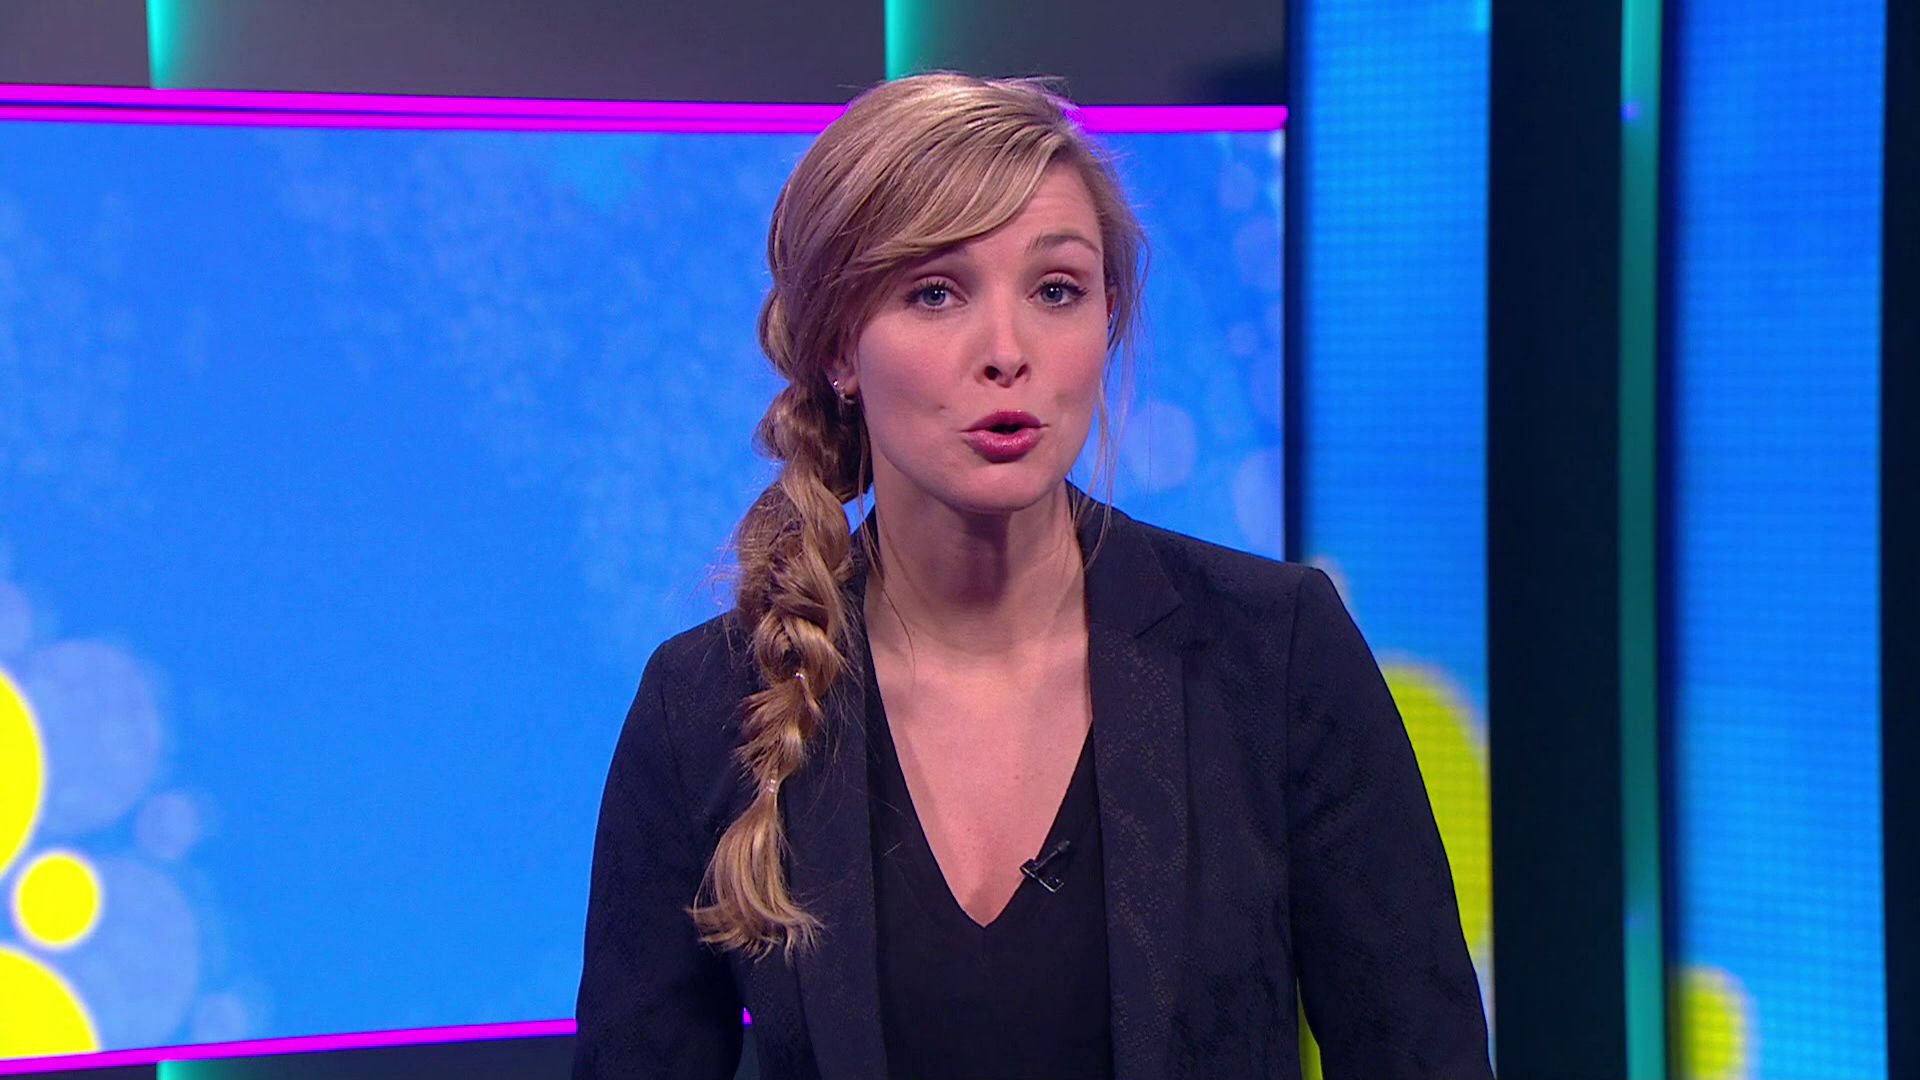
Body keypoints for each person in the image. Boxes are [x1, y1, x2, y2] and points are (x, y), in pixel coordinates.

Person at [572, 72, 1492, 1080]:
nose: (1007, 352)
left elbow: (1422, 1054)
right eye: (935, 292)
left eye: (1056, 291)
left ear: (1107, 321)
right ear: (838, 347)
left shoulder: (1273, 654)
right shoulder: (706, 704)